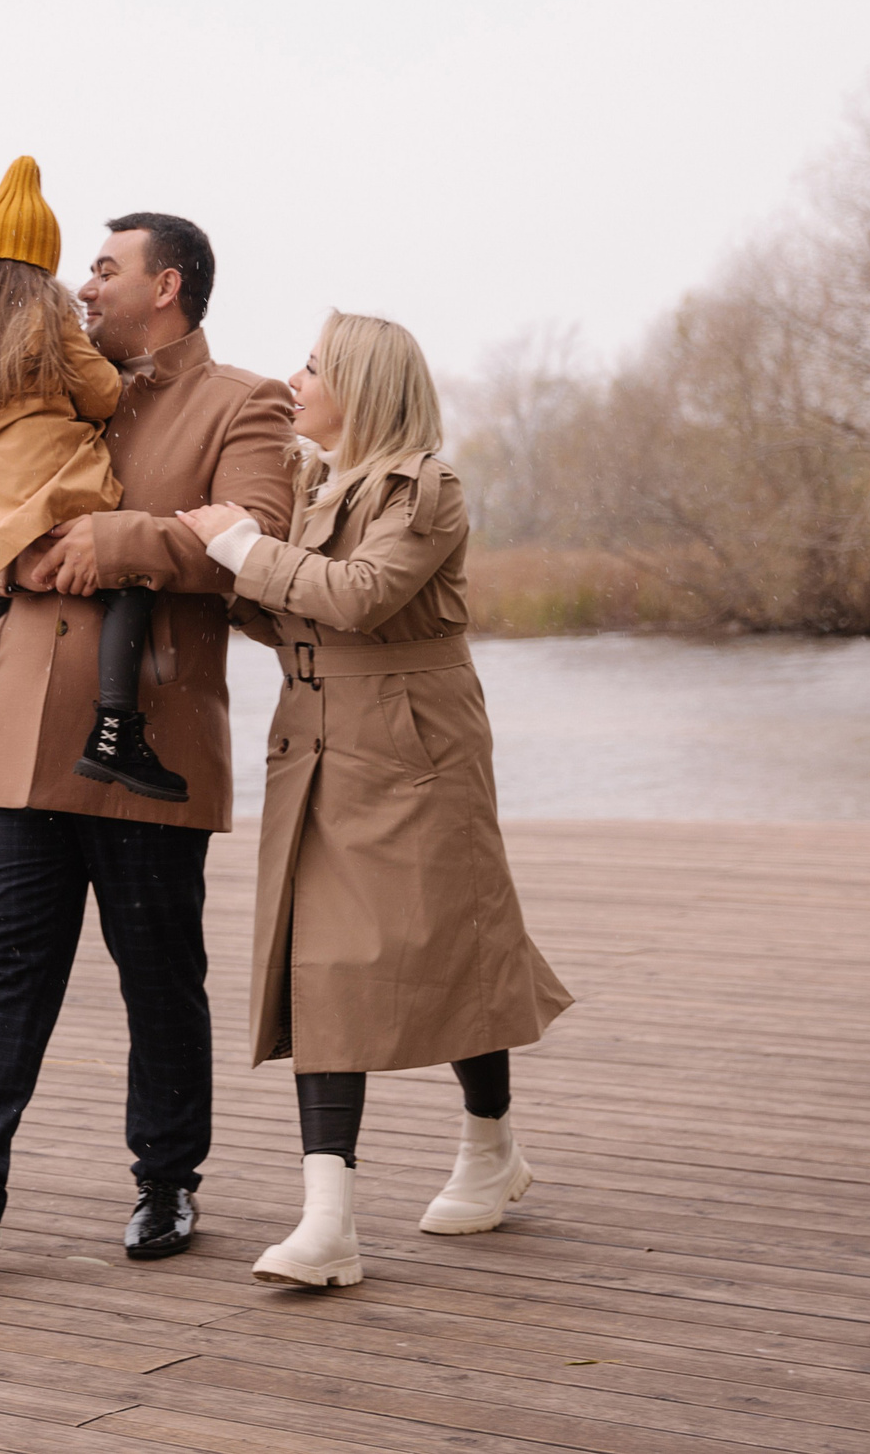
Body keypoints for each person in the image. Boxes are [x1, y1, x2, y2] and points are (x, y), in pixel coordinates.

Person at [0, 212, 297, 1270]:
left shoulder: (245, 402)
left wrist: (103, 540)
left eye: (105, 270)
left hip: (147, 739)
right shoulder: (38, 372)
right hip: (13, 739)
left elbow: (257, 537)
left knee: (159, 973)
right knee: (1, 968)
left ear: (167, 285)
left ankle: (166, 1183)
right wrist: (12, 559)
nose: (83, 287)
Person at [177, 311, 573, 1289]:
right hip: (316, 746)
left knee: (454, 950)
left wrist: (237, 550)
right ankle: (328, 1222)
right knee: (320, 968)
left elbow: (357, 598)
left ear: (362, 385)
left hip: (414, 749)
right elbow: (302, 615)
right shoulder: (313, 487)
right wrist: (213, 575)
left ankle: (490, 1148)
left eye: (312, 366)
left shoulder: (425, 489)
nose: (294, 379)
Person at [0, 156, 186, 801]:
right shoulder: (47, 315)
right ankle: (115, 731)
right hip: (54, 483)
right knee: (128, 586)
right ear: (43, 259)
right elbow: (103, 392)